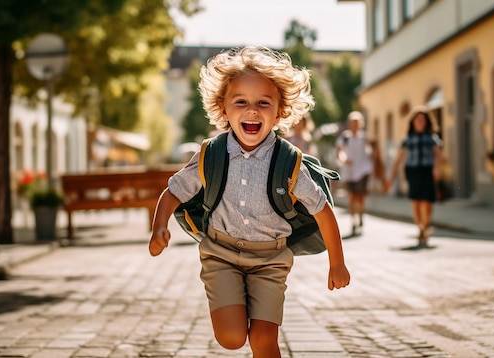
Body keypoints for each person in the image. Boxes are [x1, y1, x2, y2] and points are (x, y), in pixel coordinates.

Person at [148, 46, 350, 357]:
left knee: (263, 340)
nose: (252, 110)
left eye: (263, 103)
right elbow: (174, 190)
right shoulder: (210, 154)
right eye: (240, 102)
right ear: (223, 108)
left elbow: (322, 210)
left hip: (271, 261)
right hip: (220, 254)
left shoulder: (289, 162)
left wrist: (337, 263)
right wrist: (159, 226)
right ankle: (233, 303)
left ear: (280, 110)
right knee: (231, 337)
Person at [385, 105, 442, 247]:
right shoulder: (408, 140)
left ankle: (426, 225)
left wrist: (437, 168)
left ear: (427, 122)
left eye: (423, 120)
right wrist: (391, 178)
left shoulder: (432, 138)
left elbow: (438, 155)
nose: (420, 122)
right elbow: (398, 160)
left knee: (427, 202)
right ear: (413, 122)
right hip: (413, 172)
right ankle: (420, 227)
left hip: (427, 171)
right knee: (416, 202)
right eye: (417, 120)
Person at [335, 111, 373, 236]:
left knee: (360, 197)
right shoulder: (345, 137)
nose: (354, 125)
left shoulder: (364, 137)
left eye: (357, 122)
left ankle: (361, 216)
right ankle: (353, 221)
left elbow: (370, 153)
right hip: (350, 172)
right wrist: (344, 159)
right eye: (352, 122)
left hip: (362, 171)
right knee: (352, 197)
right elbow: (340, 152)